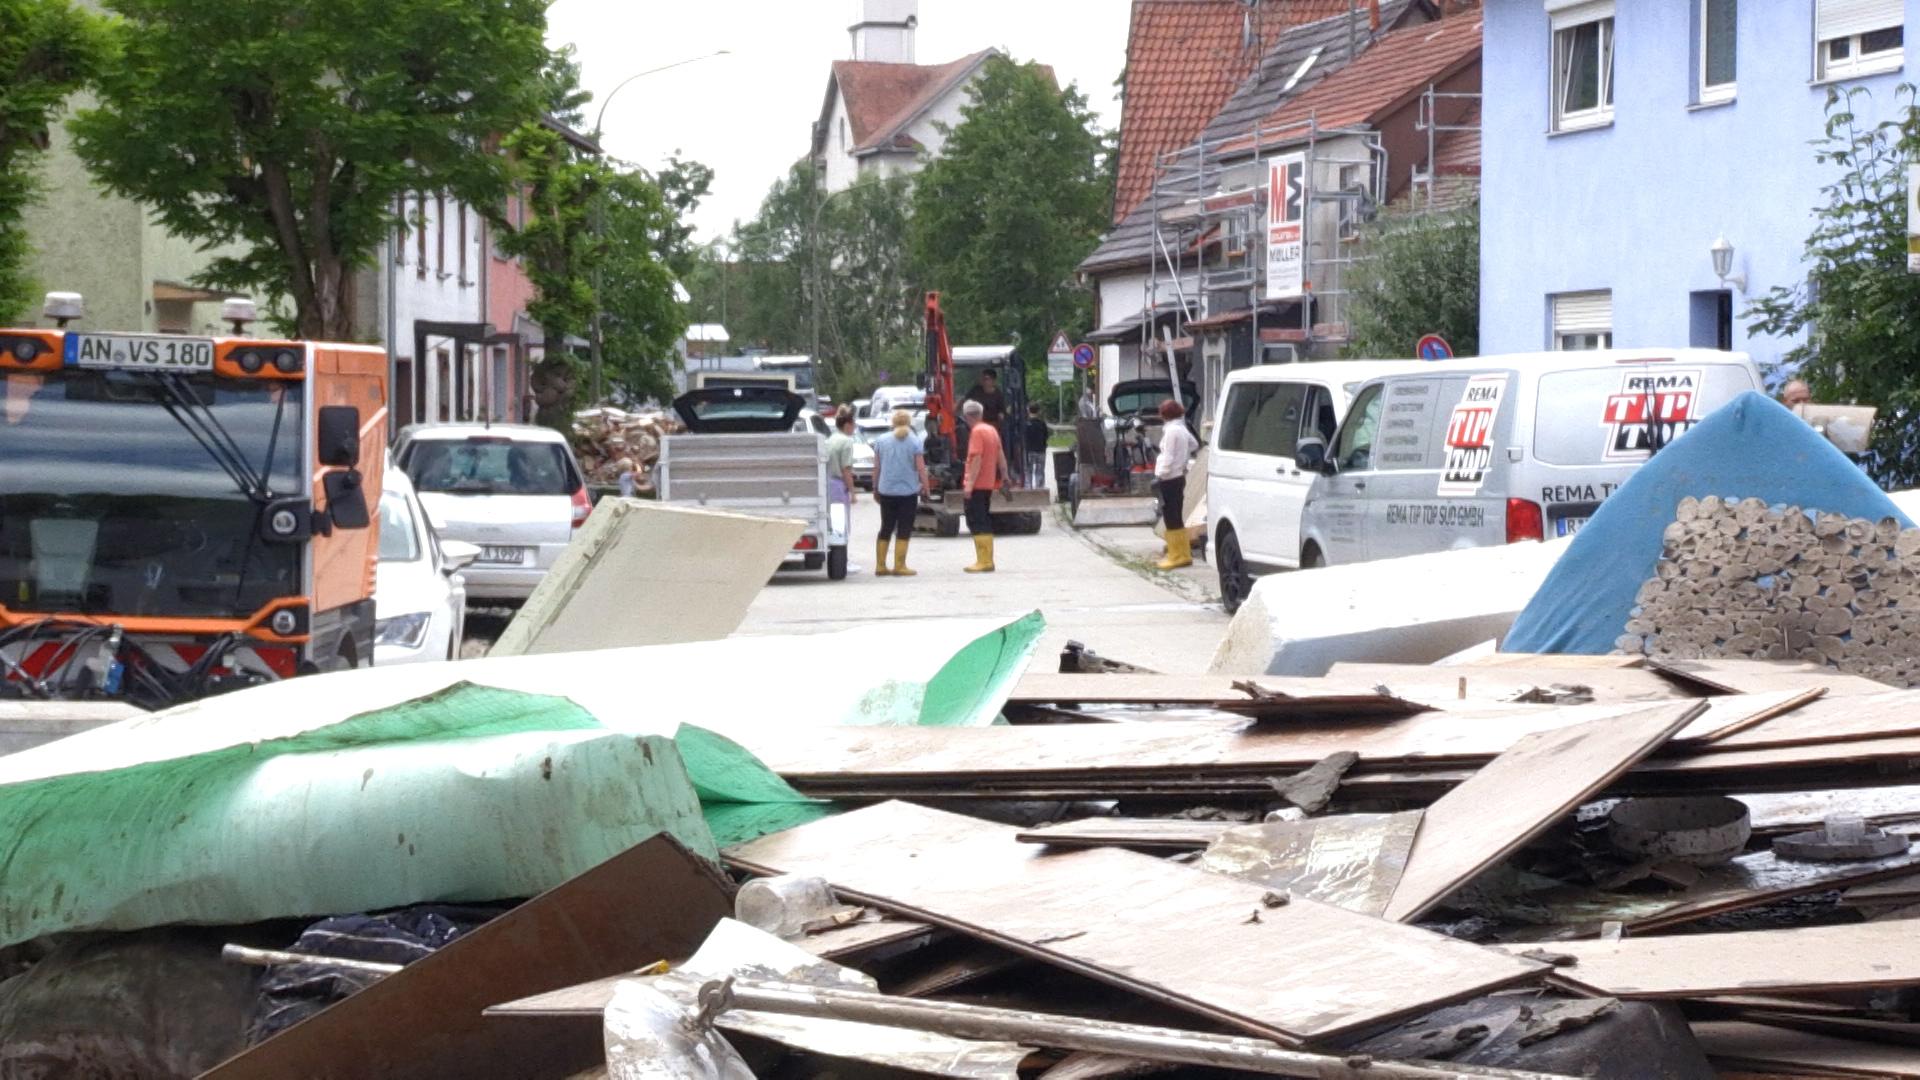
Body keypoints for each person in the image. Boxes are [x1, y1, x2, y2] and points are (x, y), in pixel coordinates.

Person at [870, 409, 930, 577]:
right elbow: (920, 468)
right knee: (904, 527)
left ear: (893, 423)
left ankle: (880, 565)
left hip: (886, 491)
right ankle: (899, 565)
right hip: (908, 493)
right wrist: (926, 487)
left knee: (886, 526)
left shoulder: (881, 441)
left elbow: (877, 467)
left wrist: (875, 487)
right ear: (909, 423)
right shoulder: (914, 442)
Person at [1154, 398, 1198, 571]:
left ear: (1165, 415)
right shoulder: (1181, 428)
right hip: (1179, 476)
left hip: (1169, 478)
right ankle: (1183, 554)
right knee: (1176, 516)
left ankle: (1176, 555)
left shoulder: (1172, 431)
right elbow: (1194, 444)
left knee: (1170, 517)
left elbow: (1169, 456)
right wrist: (1184, 459)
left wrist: (1161, 474)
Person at [961, 399, 1003, 573]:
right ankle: (987, 559)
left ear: (967, 416)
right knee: (984, 519)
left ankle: (983, 561)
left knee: (977, 521)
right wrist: (1005, 474)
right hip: (988, 483)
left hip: (977, 485)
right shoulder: (991, 430)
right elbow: (1000, 454)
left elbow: (976, 459)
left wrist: (969, 485)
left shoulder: (977, 432)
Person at [1023, 404, 1050, 490]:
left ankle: (1028, 488)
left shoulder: (1025, 424)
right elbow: (1046, 436)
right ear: (1038, 411)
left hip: (1028, 450)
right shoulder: (1042, 424)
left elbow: (1022, 437)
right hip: (1040, 450)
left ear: (1028, 410)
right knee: (1040, 470)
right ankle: (1039, 488)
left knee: (1028, 470)